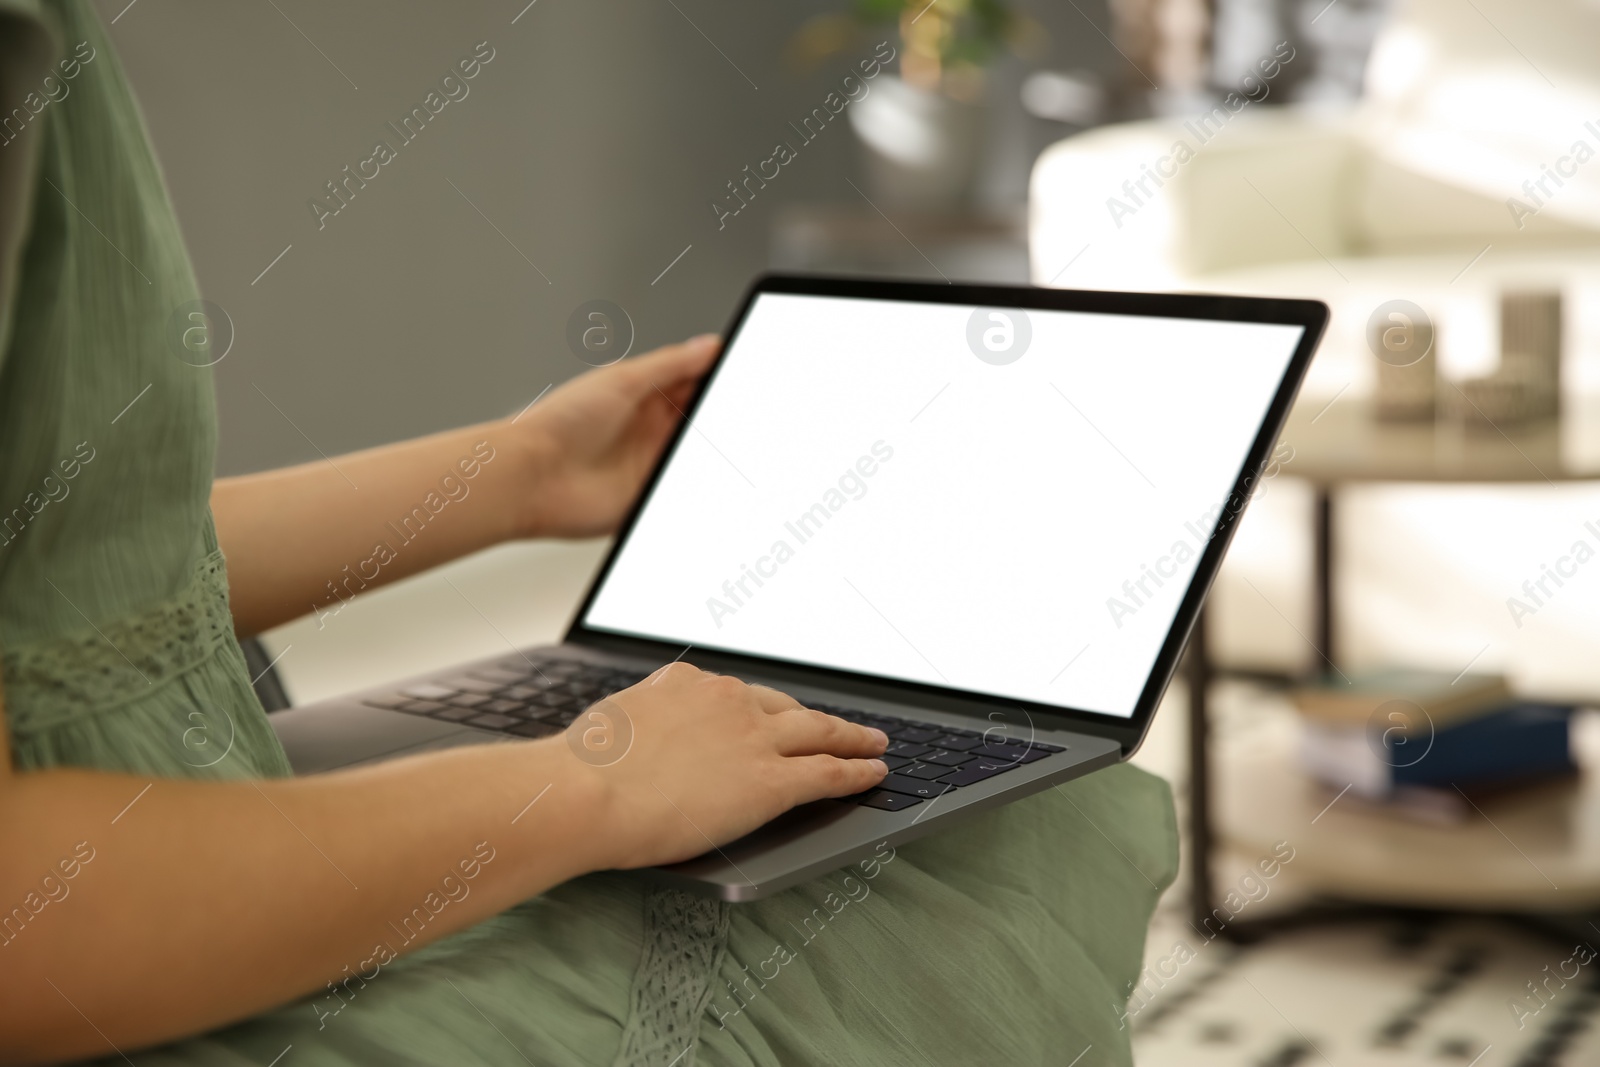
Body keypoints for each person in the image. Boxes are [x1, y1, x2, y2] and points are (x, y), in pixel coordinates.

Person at [0, 3, 1177, 1064]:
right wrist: (582, 782)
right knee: (1011, 831)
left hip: (162, 806)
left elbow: (79, 568)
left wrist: (524, 473)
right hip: (120, 964)